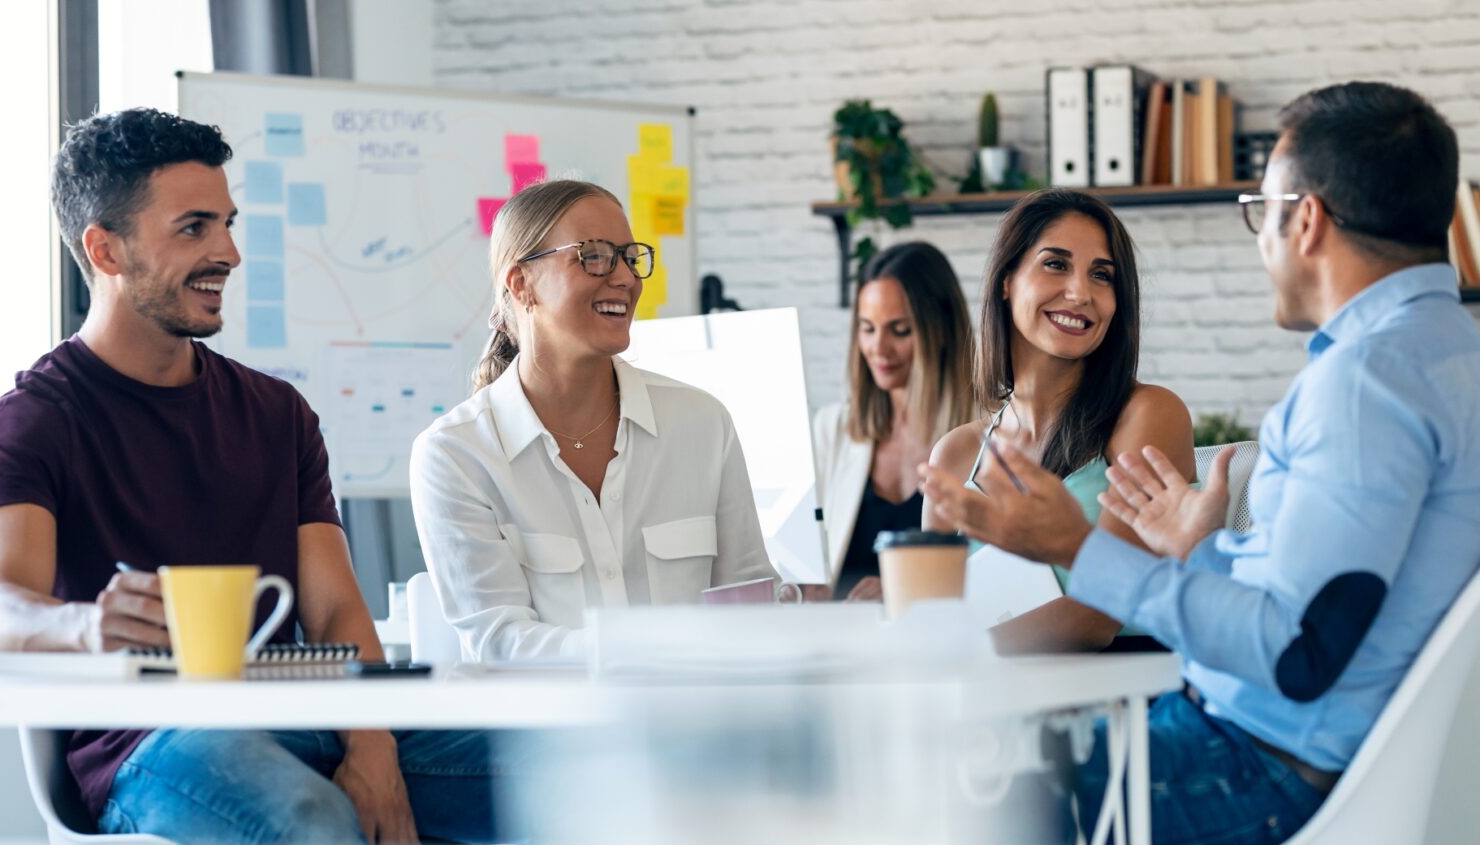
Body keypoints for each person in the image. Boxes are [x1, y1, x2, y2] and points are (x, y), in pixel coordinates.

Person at [922, 81, 1480, 845]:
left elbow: (1295, 653)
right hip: (1284, 746)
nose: (1262, 240)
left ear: (1307, 219)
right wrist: (1206, 551)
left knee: (927, 787)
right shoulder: (1451, 357)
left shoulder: (1364, 384)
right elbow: (1328, 606)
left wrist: (1076, 549)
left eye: (1263, 211)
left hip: (1263, 765)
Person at [0, 108, 508, 845]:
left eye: (226, 223)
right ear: (105, 248)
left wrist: (372, 742)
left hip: (301, 715)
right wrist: (89, 626)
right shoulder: (33, 420)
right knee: (311, 820)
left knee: (581, 775)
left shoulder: (277, 413)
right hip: (149, 746)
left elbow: (332, 609)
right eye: (193, 228)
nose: (228, 251)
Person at [410, 179, 778, 662]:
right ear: (521, 284)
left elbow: (751, 607)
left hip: (696, 724)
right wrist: (654, 650)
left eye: (630, 256)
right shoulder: (457, 454)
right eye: (595, 255)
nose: (625, 277)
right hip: (546, 733)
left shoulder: (702, 424)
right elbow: (500, 643)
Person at [925, 189, 1194, 653]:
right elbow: (927, 614)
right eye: (1056, 264)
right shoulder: (955, 453)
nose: (1080, 293)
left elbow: (1097, 614)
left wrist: (955, 658)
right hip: (985, 706)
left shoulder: (1148, 414)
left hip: (1119, 700)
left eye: (1102, 275)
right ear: (1007, 279)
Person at [812, 242, 975, 601]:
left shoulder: (990, 431)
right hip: (841, 644)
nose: (879, 349)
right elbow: (805, 560)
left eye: (900, 330)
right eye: (867, 328)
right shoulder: (831, 429)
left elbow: (1006, 571)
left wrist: (907, 590)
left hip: (942, 645)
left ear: (943, 330)